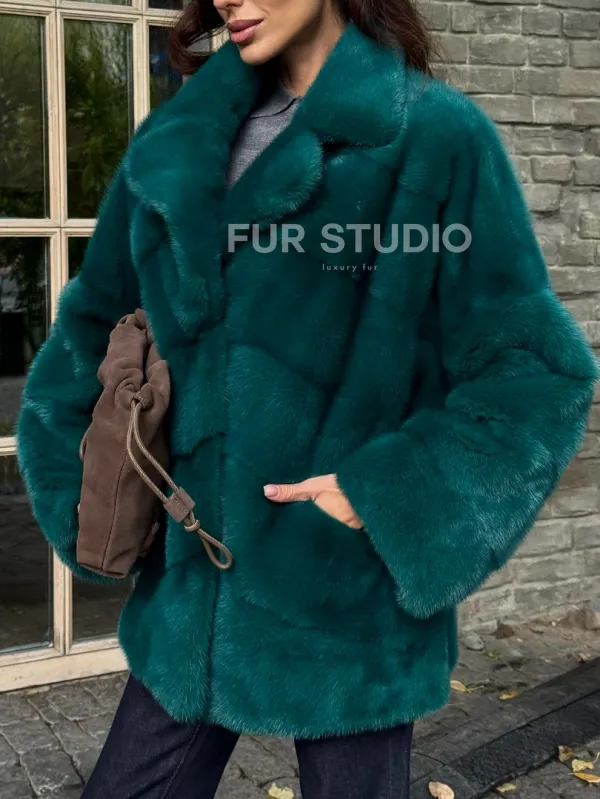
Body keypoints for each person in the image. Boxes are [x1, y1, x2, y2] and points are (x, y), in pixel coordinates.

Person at [16, 0, 600, 796]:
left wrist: (385, 495)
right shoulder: (176, 141)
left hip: (343, 597)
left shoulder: (433, 138)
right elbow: (90, 326)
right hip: (190, 591)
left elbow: (534, 371)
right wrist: (82, 488)